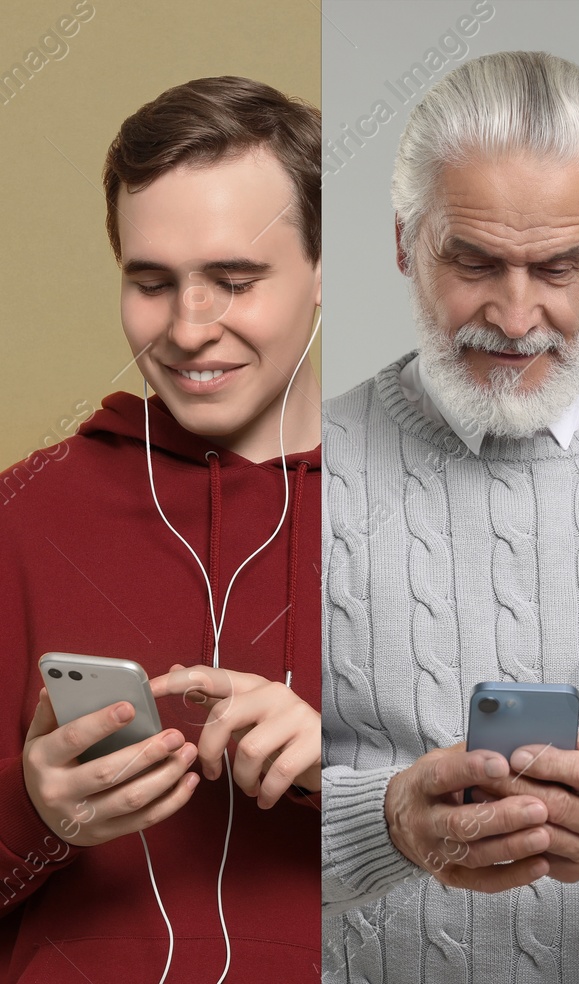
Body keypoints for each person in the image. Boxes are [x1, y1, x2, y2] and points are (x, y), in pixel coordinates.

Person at [320, 51, 579, 983]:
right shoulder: (301, 471)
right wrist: (384, 824)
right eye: (474, 262)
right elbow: (218, 829)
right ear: (403, 244)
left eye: (558, 268)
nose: (514, 313)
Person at [0, 76, 323, 982]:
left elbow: (522, 877)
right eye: (152, 283)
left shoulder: (424, 518)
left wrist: (348, 783)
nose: (188, 328)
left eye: (233, 280)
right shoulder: (22, 516)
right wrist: (35, 816)